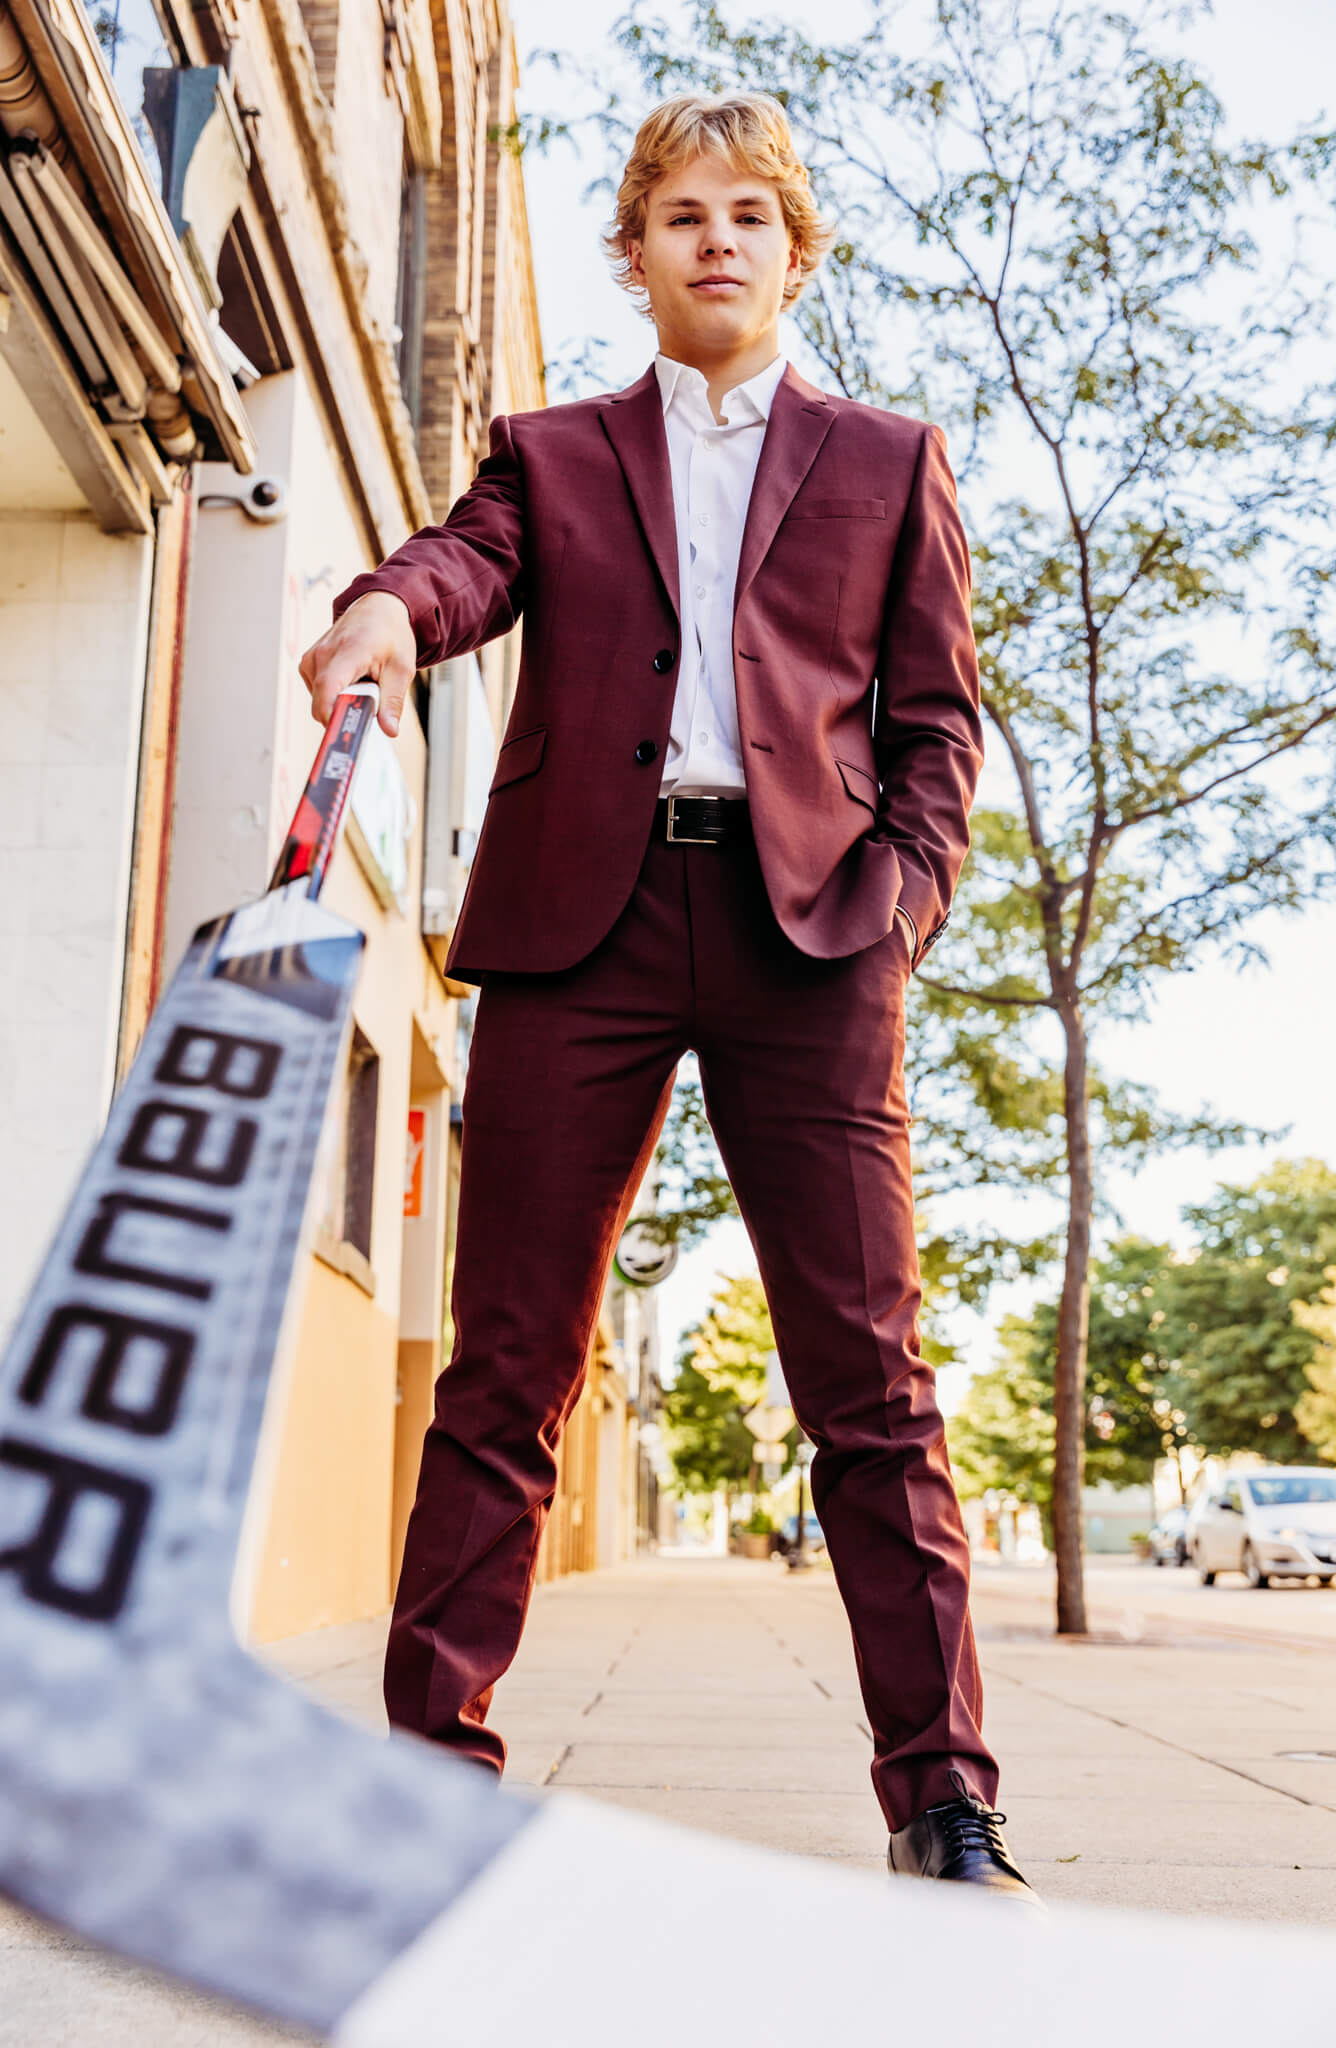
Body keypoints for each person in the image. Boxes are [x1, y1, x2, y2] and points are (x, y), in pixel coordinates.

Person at [300, 90, 1036, 1903]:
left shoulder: (888, 460)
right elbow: (461, 565)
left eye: (750, 217)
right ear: (632, 251)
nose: (717, 239)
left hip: (813, 942)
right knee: (504, 1371)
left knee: (869, 1384)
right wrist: (384, 613)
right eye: (681, 215)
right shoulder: (546, 451)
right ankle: (423, 1793)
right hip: (582, 932)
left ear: (796, 252)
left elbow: (935, 723)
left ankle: (941, 1800)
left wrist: (899, 911)